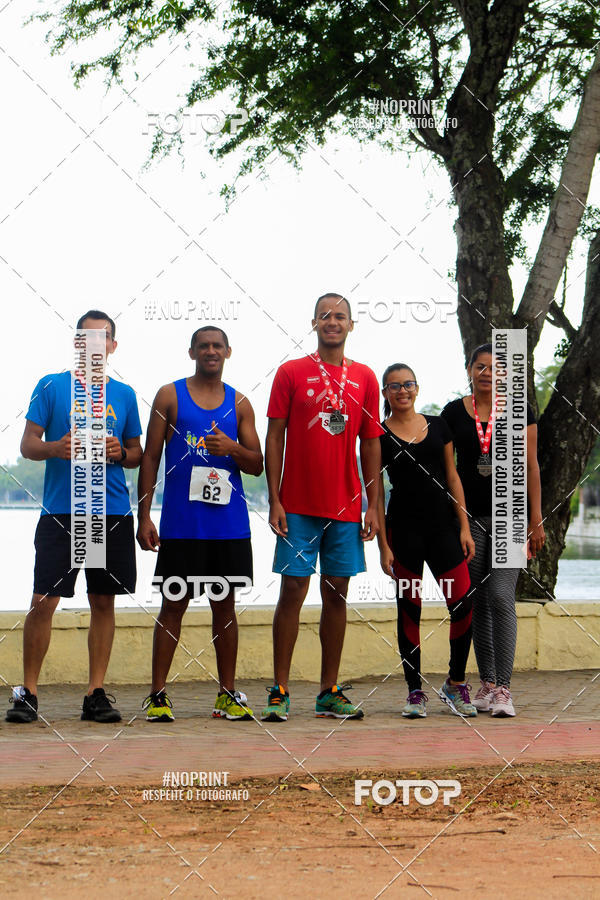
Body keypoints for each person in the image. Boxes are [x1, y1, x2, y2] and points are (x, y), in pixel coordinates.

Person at [6, 310, 142, 724]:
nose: (95, 346)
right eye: (87, 339)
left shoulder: (124, 393)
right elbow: (28, 445)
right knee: (43, 601)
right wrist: (56, 447)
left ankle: (95, 693)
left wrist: (121, 453)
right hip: (63, 512)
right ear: (77, 344)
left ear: (113, 346)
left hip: (110, 512)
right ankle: (28, 692)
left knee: (103, 601)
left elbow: (137, 453)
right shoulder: (51, 386)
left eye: (103, 339)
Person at [263, 293, 382, 722]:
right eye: (325, 316)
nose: (332, 322)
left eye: (340, 316)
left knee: (337, 593)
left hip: (348, 506)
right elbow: (274, 436)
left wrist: (373, 505)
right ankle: (279, 689)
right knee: (293, 589)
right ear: (313, 323)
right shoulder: (291, 372)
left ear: (351, 325)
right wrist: (274, 497)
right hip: (296, 504)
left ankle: (328, 690)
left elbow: (370, 444)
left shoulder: (365, 377)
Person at [137, 326, 263, 722]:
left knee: (224, 607)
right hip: (181, 525)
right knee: (173, 604)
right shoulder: (169, 395)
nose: (211, 351)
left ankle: (227, 695)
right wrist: (144, 515)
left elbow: (257, 464)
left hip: (228, 527)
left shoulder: (239, 403)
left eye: (217, 346)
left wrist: (232, 449)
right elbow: (150, 457)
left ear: (228, 351)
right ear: (192, 351)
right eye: (204, 345)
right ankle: (157, 694)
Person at [441, 343, 545, 717]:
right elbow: (446, 471)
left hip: (511, 517)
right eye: (480, 366)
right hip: (467, 521)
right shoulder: (453, 413)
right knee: (476, 601)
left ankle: (504, 688)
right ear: (469, 369)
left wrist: (536, 519)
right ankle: (485, 683)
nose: (486, 373)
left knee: (501, 597)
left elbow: (531, 466)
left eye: (494, 368)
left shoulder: (520, 411)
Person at [377, 363, 477, 718]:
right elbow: (375, 494)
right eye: (394, 386)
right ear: (385, 392)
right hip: (403, 531)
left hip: (443, 530)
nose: (402, 391)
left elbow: (453, 478)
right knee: (409, 610)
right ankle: (415, 691)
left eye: (408, 384)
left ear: (416, 388)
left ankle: (455, 683)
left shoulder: (439, 425)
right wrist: (383, 546)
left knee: (462, 604)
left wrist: (464, 528)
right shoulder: (378, 433)